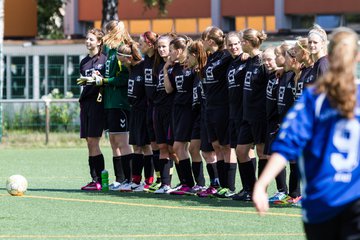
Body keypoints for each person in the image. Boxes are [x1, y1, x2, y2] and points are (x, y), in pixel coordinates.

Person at [253, 27, 360, 240]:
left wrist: (262, 183)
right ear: (357, 58)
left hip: (321, 199)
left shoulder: (313, 98)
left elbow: (286, 144)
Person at [92, 20, 133, 191]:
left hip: (120, 102)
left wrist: (105, 80)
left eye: (109, 30)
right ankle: (120, 178)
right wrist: (98, 74)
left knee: (123, 141)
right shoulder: (109, 51)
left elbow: (124, 78)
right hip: (109, 102)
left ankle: (131, 179)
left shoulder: (123, 49)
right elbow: (108, 72)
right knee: (113, 142)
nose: (106, 33)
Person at [233, 28, 267, 201]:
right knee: (241, 151)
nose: (240, 45)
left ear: (247, 42)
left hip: (259, 115)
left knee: (261, 152)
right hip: (247, 114)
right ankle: (249, 188)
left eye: (241, 41)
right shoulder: (249, 60)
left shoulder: (262, 61)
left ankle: (260, 190)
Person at [201, 26, 235, 197]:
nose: (202, 42)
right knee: (216, 146)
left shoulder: (226, 56)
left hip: (222, 107)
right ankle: (221, 185)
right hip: (210, 107)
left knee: (226, 146)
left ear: (210, 41)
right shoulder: (211, 57)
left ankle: (230, 187)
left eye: (203, 39)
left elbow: (239, 57)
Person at [163, 36, 197, 195]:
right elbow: (169, 90)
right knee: (177, 148)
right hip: (176, 109)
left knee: (180, 147)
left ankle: (190, 183)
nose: (169, 54)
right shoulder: (173, 68)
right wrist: (165, 69)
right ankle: (187, 183)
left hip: (188, 110)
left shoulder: (192, 66)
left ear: (178, 51)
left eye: (170, 51)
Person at [116, 42, 151, 192]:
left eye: (122, 60)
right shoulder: (131, 69)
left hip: (144, 111)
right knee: (136, 146)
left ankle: (149, 181)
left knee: (146, 146)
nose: (121, 64)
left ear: (129, 57)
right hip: (134, 111)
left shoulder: (143, 66)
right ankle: (136, 180)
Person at [186, 40, 219, 197]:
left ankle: (216, 183)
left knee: (208, 152)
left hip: (207, 114)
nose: (187, 60)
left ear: (194, 55)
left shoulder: (206, 69)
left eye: (188, 56)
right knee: (193, 148)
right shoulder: (196, 71)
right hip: (197, 114)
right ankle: (200, 184)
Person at [78, 28, 107, 191]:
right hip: (86, 104)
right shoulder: (83, 62)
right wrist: (87, 80)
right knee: (89, 143)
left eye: (91, 39)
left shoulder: (105, 59)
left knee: (94, 141)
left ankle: (100, 180)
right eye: (87, 39)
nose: (88, 42)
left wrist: (100, 80)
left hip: (98, 104)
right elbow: (82, 82)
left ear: (99, 42)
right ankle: (94, 179)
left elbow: (106, 82)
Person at [223, 31, 249, 198]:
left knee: (246, 150)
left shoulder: (246, 60)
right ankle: (246, 187)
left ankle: (252, 188)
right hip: (233, 112)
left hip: (245, 112)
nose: (233, 47)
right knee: (239, 150)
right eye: (230, 44)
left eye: (236, 43)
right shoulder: (230, 62)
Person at [139, 31, 159, 191]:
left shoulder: (159, 60)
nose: (139, 46)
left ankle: (169, 180)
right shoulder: (145, 60)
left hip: (162, 107)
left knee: (169, 148)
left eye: (142, 43)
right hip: (149, 107)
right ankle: (158, 179)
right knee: (153, 145)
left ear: (150, 44)